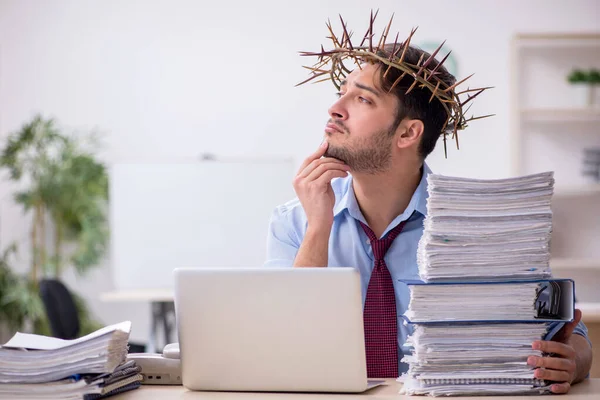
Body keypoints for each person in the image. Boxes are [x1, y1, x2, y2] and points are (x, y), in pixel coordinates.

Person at [264, 20, 592, 393]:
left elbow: (571, 334)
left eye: (362, 99)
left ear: (408, 133)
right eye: (342, 92)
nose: (335, 108)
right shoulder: (294, 221)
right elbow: (281, 342)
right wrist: (318, 228)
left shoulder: (476, 223)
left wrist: (573, 361)